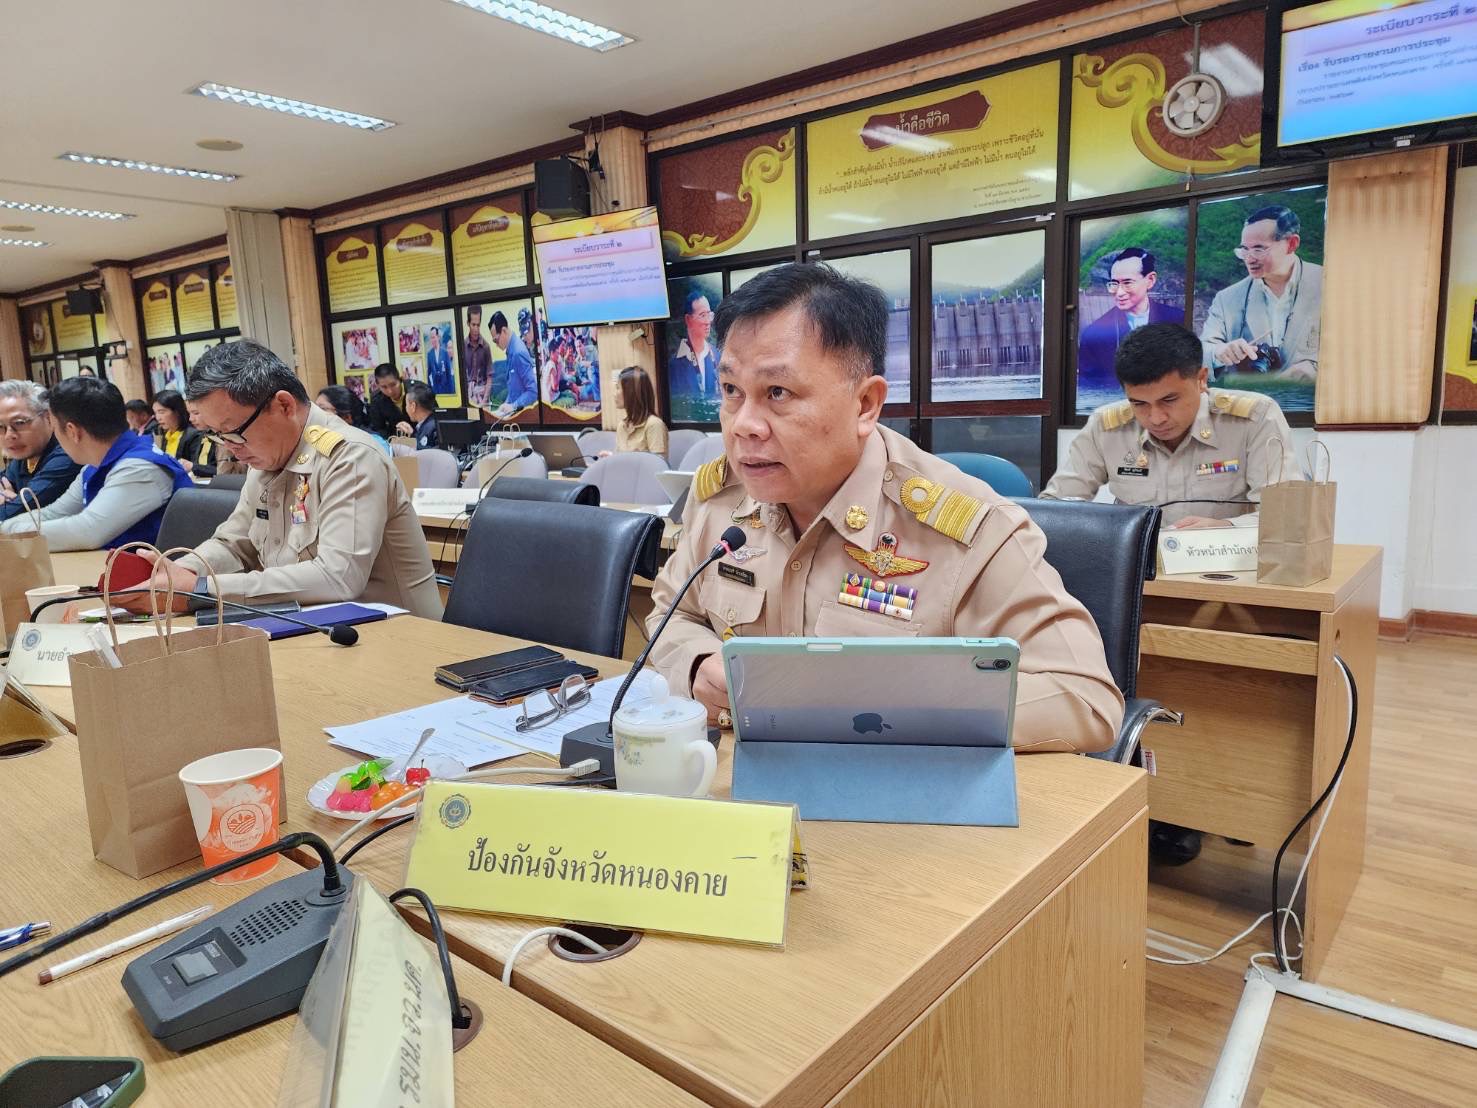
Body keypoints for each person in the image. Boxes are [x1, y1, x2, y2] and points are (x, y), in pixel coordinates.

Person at [648, 263, 1122, 754]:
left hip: (889, 798)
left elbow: (1085, 699)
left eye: (777, 393)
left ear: (866, 405)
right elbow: (669, 613)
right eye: (731, 391)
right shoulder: (722, 498)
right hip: (737, 782)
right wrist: (699, 662)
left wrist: (871, 706)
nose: (743, 425)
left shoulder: (966, 527)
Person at [121, 340, 442, 617]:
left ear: (284, 405)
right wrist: (187, 571)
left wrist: (202, 589)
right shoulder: (267, 456)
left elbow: (338, 576)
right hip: (314, 629)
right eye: (219, 436)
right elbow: (235, 544)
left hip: (399, 640)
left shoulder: (350, 456)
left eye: (234, 433)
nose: (232, 450)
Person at [1044, 322, 1297, 530]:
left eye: (1169, 400)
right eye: (1139, 403)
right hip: (1136, 578)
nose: (1155, 418)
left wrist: (1226, 528)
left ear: (1201, 379)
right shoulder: (1106, 426)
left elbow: (1287, 517)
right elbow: (1053, 509)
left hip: (1226, 573)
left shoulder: (1254, 418)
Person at [0, 377, 191, 551]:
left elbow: (87, 531)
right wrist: (7, 529)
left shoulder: (140, 467)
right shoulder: (94, 465)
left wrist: (8, 532)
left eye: (54, 428)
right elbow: (54, 513)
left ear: (72, 431)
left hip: (160, 581)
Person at [1200, 205, 1322, 383]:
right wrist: (1220, 352)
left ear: (1292, 244)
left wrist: (1315, 369)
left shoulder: (1330, 284)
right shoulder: (1227, 299)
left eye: (1259, 249)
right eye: (1244, 250)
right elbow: (1201, 352)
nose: (1249, 258)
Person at [1077, 248, 1184, 389]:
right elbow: (1089, 389)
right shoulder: (1094, 335)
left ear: (1150, 280)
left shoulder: (1177, 320)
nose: (1119, 292)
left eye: (1127, 283)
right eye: (1114, 284)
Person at [0, 380, 81, 522]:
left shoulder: (67, 453)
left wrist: (12, 502)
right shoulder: (25, 455)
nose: (9, 435)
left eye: (19, 423)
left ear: (48, 417)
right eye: (0, 427)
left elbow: (15, 511)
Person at [667, 290, 718, 401]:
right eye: (702, 315)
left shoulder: (718, 356)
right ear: (688, 320)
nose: (708, 321)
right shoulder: (673, 365)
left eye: (709, 315)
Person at [315, 385, 391, 455]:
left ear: (347, 417)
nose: (315, 413)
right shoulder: (323, 443)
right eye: (314, 408)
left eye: (322, 409)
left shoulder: (372, 444)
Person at [491, 309, 537, 418]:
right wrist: (507, 404)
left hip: (522, 416)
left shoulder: (518, 352)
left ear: (504, 331)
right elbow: (514, 388)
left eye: (496, 340)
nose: (496, 345)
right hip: (514, 413)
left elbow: (533, 392)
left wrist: (513, 406)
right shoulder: (511, 350)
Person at [182, 399, 244, 478]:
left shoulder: (226, 437)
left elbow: (224, 473)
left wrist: (194, 467)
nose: (191, 419)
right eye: (189, 413)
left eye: (196, 413)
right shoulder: (202, 435)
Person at [612, 368, 668, 456]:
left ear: (631, 392)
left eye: (618, 388)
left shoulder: (654, 425)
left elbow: (658, 464)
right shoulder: (622, 426)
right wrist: (610, 458)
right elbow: (621, 461)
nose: (614, 394)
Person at [152, 389, 204, 470]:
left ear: (177, 411)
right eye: (155, 413)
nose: (158, 418)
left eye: (161, 412)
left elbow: (195, 467)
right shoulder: (167, 435)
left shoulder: (193, 435)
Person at [367, 363, 407, 437]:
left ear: (400, 379)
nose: (390, 391)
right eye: (384, 387)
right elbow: (378, 428)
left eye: (393, 385)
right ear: (377, 385)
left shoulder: (417, 391)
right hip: (393, 441)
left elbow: (431, 421)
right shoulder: (376, 399)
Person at [464, 305, 492, 407]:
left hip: (484, 395)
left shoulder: (486, 347)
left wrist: (484, 401)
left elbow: (490, 377)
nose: (476, 328)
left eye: (478, 325)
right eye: (473, 325)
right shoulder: (462, 346)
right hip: (469, 396)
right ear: (468, 323)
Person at [404, 383, 440, 450]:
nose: (406, 408)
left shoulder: (435, 428)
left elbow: (437, 454)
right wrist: (412, 434)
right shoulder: (433, 423)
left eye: (406, 405)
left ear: (413, 406)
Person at [425, 325, 454, 396]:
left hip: (446, 390)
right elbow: (428, 373)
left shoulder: (445, 352)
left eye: (433, 337)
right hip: (435, 391)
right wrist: (430, 390)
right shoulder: (429, 354)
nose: (432, 340)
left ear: (438, 337)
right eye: (431, 338)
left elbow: (449, 373)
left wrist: (451, 392)